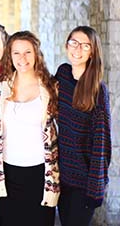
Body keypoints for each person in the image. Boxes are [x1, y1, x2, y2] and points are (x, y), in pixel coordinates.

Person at [0, 31, 60, 226]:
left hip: (40, 173)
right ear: (9, 56)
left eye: (27, 52)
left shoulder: (50, 87)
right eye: (16, 53)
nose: (22, 58)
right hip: (7, 172)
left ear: (36, 54)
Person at [56, 26, 111, 226]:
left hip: (84, 181)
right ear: (66, 45)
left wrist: (96, 189)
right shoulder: (62, 74)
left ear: (92, 51)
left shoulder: (97, 90)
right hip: (62, 176)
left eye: (85, 46)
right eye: (74, 42)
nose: (78, 49)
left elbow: (102, 141)